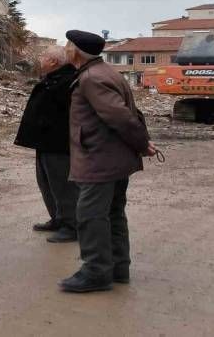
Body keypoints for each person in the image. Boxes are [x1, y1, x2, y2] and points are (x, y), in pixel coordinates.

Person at [59, 30, 157, 293]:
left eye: (68, 45)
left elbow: (121, 116)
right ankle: (117, 268)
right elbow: (129, 113)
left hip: (99, 159)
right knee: (112, 213)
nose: (65, 48)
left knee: (90, 215)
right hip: (111, 157)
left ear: (77, 51)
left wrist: (141, 143)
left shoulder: (92, 78)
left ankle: (96, 272)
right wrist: (141, 141)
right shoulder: (105, 72)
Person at [14, 46, 79, 243]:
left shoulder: (68, 81)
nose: (40, 59)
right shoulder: (53, 78)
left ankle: (72, 226)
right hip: (44, 142)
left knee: (63, 186)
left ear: (53, 61)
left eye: (43, 56)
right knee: (46, 183)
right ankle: (58, 219)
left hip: (59, 144)